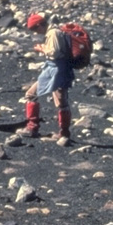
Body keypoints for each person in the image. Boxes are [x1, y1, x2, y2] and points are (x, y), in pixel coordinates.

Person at [17, 13, 74, 143]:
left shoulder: (53, 33)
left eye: (34, 29)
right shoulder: (56, 31)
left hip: (56, 71)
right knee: (61, 101)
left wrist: (42, 49)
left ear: (40, 25)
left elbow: (55, 52)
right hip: (59, 69)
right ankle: (63, 133)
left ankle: (33, 128)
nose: (35, 33)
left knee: (33, 95)